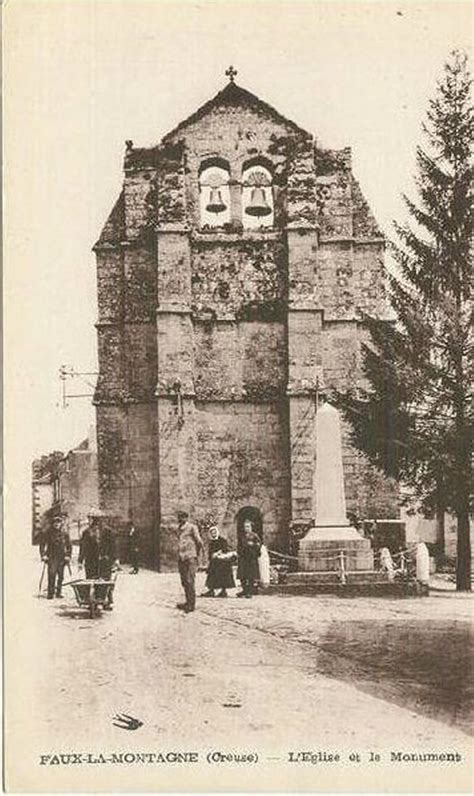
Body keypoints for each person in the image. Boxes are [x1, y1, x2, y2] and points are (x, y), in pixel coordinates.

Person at [40, 514, 72, 599]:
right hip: (51, 556)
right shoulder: (48, 533)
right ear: (53, 523)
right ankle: (50, 593)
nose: (57, 524)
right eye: (55, 522)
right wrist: (43, 555)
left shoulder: (65, 533)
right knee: (51, 574)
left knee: (61, 576)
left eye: (59, 522)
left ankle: (58, 592)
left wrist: (68, 556)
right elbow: (42, 545)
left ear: (61, 523)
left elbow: (69, 546)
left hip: (62, 557)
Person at [177, 510, 203, 613]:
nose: (180, 519)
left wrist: (196, 555)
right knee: (184, 581)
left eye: (182, 517)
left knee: (189, 580)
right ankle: (187, 602)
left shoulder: (192, 527)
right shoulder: (179, 528)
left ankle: (191, 605)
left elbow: (199, 541)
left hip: (191, 557)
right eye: (179, 517)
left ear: (186, 518)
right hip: (181, 557)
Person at [202, 526, 235, 598]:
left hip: (222, 561)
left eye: (214, 532)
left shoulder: (222, 540)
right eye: (212, 533)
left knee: (223, 574)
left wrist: (218, 553)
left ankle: (223, 591)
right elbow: (210, 553)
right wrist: (211, 556)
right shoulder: (211, 542)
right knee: (212, 574)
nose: (213, 534)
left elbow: (225, 549)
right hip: (215, 561)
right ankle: (211, 590)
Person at [237, 519, 262, 598]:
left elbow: (259, 545)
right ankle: (244, 590)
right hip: (243, 558)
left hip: (251, 558)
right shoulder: (242, 536)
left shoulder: (255, 536)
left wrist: (253, 544)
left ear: (251, 527)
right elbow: (239, 546)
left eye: (248, 526)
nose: (246, 528)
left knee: (250, 576)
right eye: (245, 527)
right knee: (242, 575)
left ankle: (249, 592)